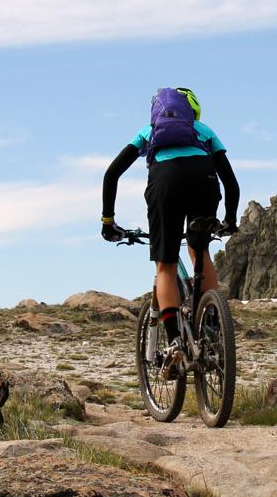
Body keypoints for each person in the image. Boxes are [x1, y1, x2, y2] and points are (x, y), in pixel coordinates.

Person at [100, 86, 239, 346]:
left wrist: (108, 222)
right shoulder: (204, 131)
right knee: (200, 251)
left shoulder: (149, 131)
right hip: (205, 181)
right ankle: (210, 323)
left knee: (166, 265)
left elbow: (112, 174)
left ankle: (175, 341)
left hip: (165, 184)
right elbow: (231, 182)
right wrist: (230, 220)